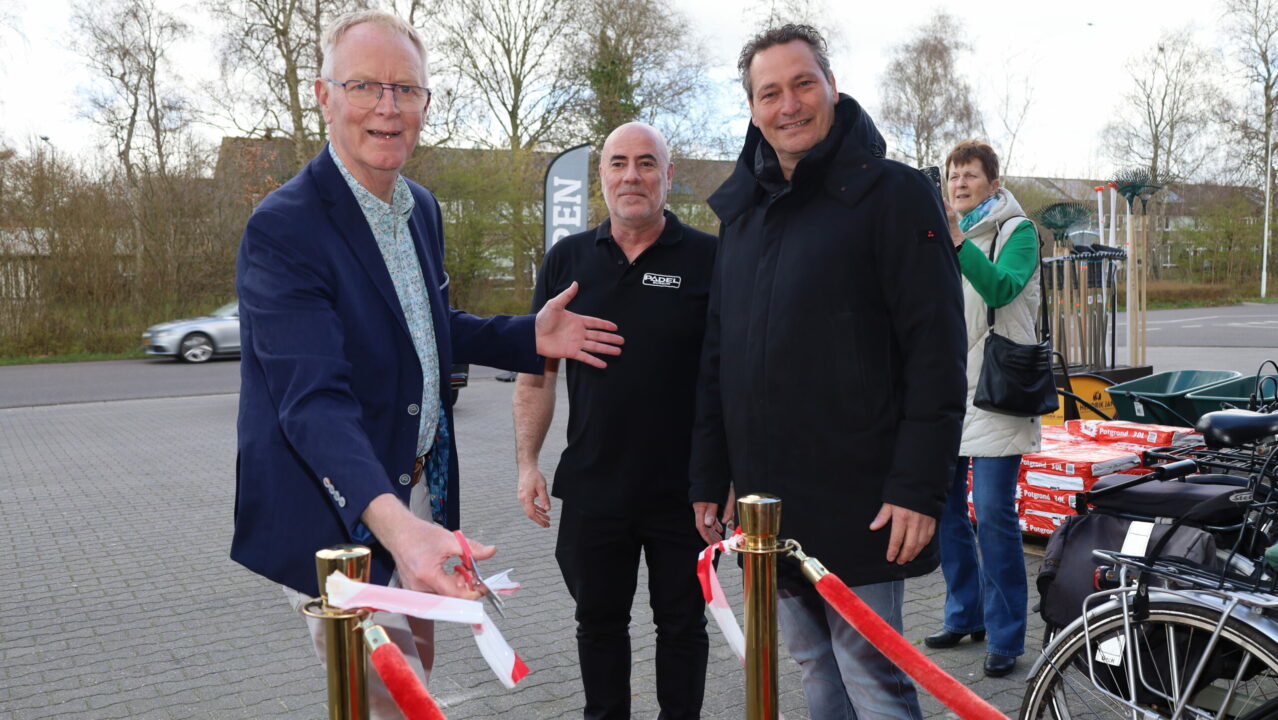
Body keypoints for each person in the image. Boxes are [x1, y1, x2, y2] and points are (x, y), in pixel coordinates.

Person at [229, 10, 622, 716]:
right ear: (324, 96)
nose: (387, 107)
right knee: (394, 701)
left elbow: (428, 328)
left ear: (426, 105)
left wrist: (528, 335)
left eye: (406, 90)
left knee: (418, 678)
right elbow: (311, 402)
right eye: (365, 86)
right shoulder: (284, 228)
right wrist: (399, 531)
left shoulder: (420, 209)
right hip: (339, 515)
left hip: (414, 496)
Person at [688, 24, 967, 719]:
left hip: (865, 498)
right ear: (752, 108)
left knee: (872, 677)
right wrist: (709, 476)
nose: (789, 105)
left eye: (803, 84)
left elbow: (937, 351)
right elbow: (719, 354)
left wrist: (917, 488)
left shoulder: (895, 195)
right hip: (768, 502)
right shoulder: (743, 216)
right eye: (770, 92)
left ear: (832, 88)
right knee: (815, 671)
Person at [513, 122, 720, 720]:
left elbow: (730, 380)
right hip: (594, 486)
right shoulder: (568, 261)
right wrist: (528, 461)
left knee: (683, 626)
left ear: (669, 176)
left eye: (648, 163)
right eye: (619, 163)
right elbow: (536, 373)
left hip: (685, 493)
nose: (633, 176)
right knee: (597, 623)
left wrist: (724, 477)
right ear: (601, 176)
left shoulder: (710, 259)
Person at [924, 139, 1041, 678]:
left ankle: (1007, 636)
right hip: (949, 391)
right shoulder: (941, 239)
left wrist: (955, 242)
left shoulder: (1018, 233)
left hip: (997, 394)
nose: (959, 184)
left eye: (971, 175)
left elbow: (1000, 290)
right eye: (952, 176)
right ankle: (963, 613)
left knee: (993, 514)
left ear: (994, 183)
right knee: (945, 512)